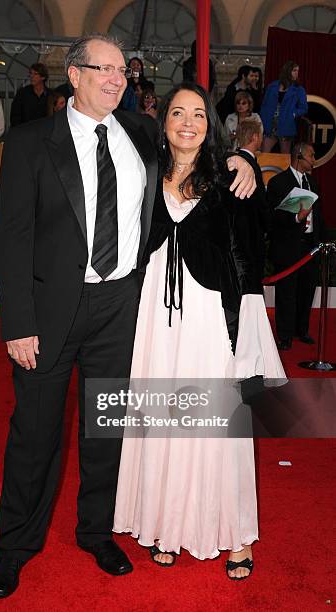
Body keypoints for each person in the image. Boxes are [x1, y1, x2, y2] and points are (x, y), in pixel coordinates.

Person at [0, 33, 256, 599]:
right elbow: (12, 238)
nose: (116, 79)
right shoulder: (33, 141)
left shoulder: (139, 132)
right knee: (35, 433)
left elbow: (196, 148)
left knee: (105, 429)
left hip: (122, 308)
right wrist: (17, 323)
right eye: (102, 69)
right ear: (75, 74)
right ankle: (14, 547)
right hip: (50, 310)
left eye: (121, 71)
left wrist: (243, 154)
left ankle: (96, 532)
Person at [113, 83, 285, 580]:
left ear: (211, 126)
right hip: (155, 320)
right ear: (162, 122)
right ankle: (166, 523)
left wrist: (245, 159)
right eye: (177, 113)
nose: (187, 122)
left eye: (198, 115)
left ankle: (233, 535)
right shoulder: (143, 174)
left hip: (211, 319)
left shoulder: (232, 178)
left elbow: (250, 256)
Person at [268, 142, 325, 350]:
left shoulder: (313, 183)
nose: (314, 159)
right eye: (311, 155)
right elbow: (272, 217)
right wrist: (295, 218)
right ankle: (285, 335)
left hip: (310, 247)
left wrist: (321, 240)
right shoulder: (278, 182)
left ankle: (302, 330)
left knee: (307, 289)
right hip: (288, 245)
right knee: (287, 291)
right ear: (299, 155)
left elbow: (319, 216)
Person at [235, 117, 269, 281]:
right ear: (255, 137)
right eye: (261, 135)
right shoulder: (250, 166)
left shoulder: (234, 162)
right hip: (250, 239)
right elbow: (260, 206)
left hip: (235, 239)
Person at [260, 61, 307, 154]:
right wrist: (263, 119)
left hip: (286, 125)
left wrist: (293, 114)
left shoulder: (299, 89)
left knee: (285, 156)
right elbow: (264, 105)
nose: (296, 73)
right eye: (294, 70)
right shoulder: (272, 86)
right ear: (287, 71)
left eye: (297, 71)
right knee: (264, 154)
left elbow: (304, 108)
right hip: (270, 125)